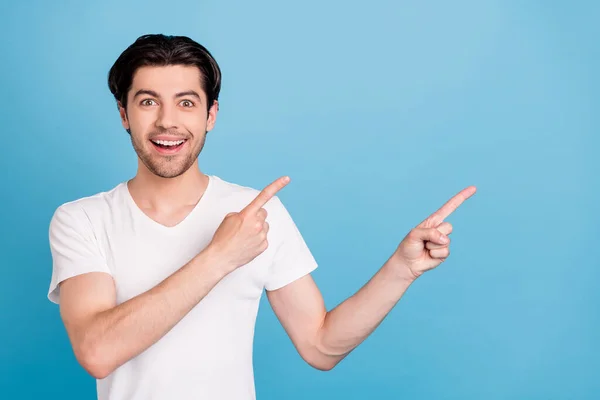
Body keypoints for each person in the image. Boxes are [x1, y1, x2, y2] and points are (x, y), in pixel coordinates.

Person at [47, 34, 476, 400]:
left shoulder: (258, 212)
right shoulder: (82, 219)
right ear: (124, 114)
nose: (167, 122)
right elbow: (97, 352)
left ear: (210, 115)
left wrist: (401, 269)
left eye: (186, 102)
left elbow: (321, 346)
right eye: (147, 102)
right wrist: (220, 257)